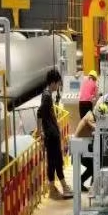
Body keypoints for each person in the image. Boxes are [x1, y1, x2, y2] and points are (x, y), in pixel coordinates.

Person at [37, 69, 72, 200]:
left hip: (51, 133)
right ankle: (60, 188)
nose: (58, 86)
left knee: (54, 162)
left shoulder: (45, 94)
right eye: (58, 84)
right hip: (51, 135)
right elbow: (39, 113)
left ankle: (57, 188)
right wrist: (40, 131)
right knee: (56, 161)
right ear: (53, 82)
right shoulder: (47, 96)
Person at [74, 102, 108, 192]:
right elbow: (98, 129)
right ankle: (89, 184)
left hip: (83, 147)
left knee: (95, 164)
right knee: (95, 165)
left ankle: (91, 183)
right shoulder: (90, 118)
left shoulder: (91, 114)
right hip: (79, 149)